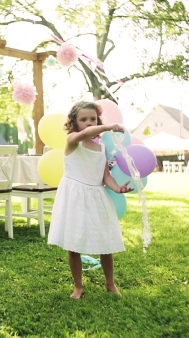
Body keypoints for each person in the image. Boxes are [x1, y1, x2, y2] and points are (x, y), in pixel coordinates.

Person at [48, 101, 133, 300]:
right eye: (83, 119)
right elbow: (85, 135)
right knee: (73, 243)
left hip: (96, 195)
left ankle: (110, 282)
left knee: (105, 241)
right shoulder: (72, 140)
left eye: (92, 119)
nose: (88, 123)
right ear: (74, 123)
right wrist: (109, 127)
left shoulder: (101, 148)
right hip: (75, 196)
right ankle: (78, 286)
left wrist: (117, 188)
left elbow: (105, 176)